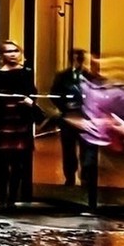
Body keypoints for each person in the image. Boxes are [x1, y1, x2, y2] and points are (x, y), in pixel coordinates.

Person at [0, 40, 38, 210]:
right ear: (1, 54)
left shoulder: (26, 72)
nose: (12, 54)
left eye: (15, 51)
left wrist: (29, 100)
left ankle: (11, 198)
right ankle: (1, 197)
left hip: (20, 122)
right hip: (2, 122)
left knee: (18, 163)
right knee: (1, 163)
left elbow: (33, 92)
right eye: (8, 51)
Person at [49, 48, 99, 189]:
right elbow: (54, 93)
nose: (77, 60)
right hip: (69, 118)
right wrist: (64, 106)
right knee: (68, 150)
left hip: (86, 118)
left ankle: (86, 179)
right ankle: (70, 177)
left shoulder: (90, 76)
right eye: (75, 57)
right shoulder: (62, 76)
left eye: (80, 57)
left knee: (87, 149)